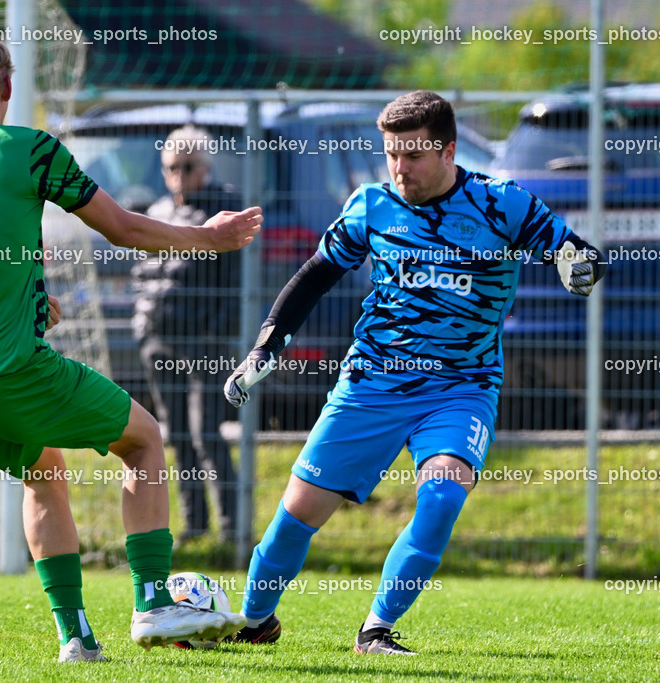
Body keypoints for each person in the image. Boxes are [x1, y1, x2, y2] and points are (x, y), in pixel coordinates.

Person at [0, 30, 261, 663]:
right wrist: (207, 238)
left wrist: (26, 298)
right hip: (12, 370)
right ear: (9, 87)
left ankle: (76, 638)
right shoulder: (32, 149)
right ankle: (154, 603)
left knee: (43, 475)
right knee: (145, 440)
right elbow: (122, 228)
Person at [223, 90, 605, 654]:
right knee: (297, 514)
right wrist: (264, 348)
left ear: (449, 150)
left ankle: (376, 629)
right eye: (391, 154)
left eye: (413, 155)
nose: (399, 168)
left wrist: (582, 268)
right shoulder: (371, 205)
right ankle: (254, 621)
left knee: (443, 494)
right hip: (372, 382)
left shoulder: (503, 205)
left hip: (461, 387)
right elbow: (314, 276)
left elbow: (577, 253)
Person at [132, 125, 241, 545]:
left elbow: (234, 286)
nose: (178, 175)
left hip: (203, 343)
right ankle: (195, 525)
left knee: (205, 432)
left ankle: (232, 527)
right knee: (174, 435)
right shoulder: (158, 211)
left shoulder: (221, 212)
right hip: (159, 339)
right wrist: (143, 330)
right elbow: (142, 274)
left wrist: (215, 336)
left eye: (187, 166)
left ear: (205, 168)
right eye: (171, 167)